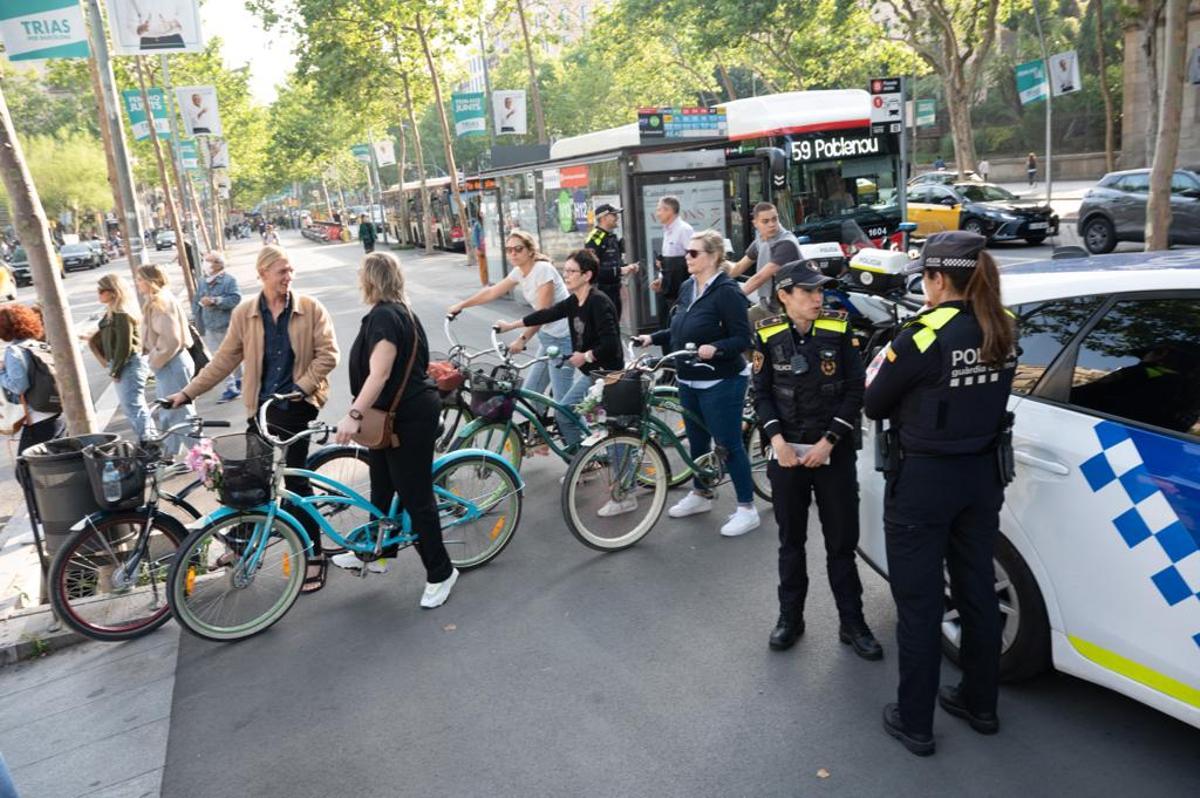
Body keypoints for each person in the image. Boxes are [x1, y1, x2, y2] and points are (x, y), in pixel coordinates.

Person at [863, 231, 1017, 757]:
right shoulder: (1003, 326)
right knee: (976, 590)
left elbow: (874, 401)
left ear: (936, 278)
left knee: (920, 604)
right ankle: (981, 703)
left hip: (924, 485)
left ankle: (916, 722)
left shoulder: (923, 335)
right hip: (982, 480)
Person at [167, 245, 340, 594]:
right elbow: (223, 362)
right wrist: (186, 394)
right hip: (261, 408)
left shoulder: (309, 309)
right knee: (247, 476)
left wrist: (300, 388)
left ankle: (315, 555)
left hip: (299, 404)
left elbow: (328, 354)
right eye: (281, 272)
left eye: (290, 271)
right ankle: (244, 542)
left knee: (291, 485)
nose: (288, 278)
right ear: (262, 275)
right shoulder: (246, 313)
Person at [751, 262, 882, 659]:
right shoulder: (767, 335)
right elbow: (761, 393)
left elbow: (855, 391)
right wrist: (779, 441)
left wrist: (828, 442)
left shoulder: (840, 331)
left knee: (841, 542)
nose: (816, 298)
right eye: (807, 292)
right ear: (784, 296)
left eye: (819, 291)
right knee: (791, 542)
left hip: (833, 452)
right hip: (787, 455)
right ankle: (791, 617)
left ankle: (852, 621)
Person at [331, 253, 458, 606]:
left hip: (408, 419)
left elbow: (381, 373)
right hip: (391, 416)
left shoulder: (386, 316)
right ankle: (376, 552)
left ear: (370, 279)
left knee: (416, 498)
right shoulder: (399, 312)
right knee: (382, 486)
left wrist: (354, 414)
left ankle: (442, 573)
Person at [634, 229, 758, 536]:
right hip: (688, 378)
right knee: (698, 441)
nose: (686, 258)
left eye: (693, 253)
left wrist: (717, 348)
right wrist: (652, 337)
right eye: (686, 253)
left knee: (728, 445)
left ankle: (747, 508)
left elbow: (744, 338)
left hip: (722, 380)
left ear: (713, 257)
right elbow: (679, 330)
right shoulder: (689, 286)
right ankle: (701, 493)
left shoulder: (728, 292)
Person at [495, 248, 622, 450]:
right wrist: (512, 326)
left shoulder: (598, 302)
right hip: (592, 374)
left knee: (599, 424)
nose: (566, 276)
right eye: (566, 271)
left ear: (587, 275)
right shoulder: (574, 301)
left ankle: (607, 464)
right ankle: (585, 461)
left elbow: (611, 344)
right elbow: (546, 314)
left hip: (608, 375)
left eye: (572, 271)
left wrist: (586, 356)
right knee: (575, 416)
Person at [448, 230, 574, 402]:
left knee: (563, 401)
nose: (513, 253)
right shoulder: (519, 271)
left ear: (530, 251)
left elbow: (543, 314)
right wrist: (461, 305)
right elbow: (492, 292)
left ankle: (576, 428)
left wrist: (522, 339)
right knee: (532, 392)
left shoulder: (543, 270)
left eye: (518, 248)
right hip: (548, 336)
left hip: (564, 338)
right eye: (509, 250)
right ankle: (538, 429)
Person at [137, 265, 197, 457]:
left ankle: (207, 462)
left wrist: (154, 360)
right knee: (170, 412)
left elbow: (170, 340)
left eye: (139, 279)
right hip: (172, 362)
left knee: (180, 415)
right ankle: (169, 455)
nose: (137, 283)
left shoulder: (159, 302)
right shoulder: (160, 299)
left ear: (149, 281)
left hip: (171, 363)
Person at [89, 274, 157, 442]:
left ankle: (149, 441)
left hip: (128, 364)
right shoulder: (113, 312)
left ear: (113, 292)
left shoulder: (121, 314)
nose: (98, 293)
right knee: (131, 406)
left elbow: (124, 346)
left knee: (133, 405)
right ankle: (148, 440)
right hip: (124, 364)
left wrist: (116, 370)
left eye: (101, 290)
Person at [0, 304, 65, 453]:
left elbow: (18, 386)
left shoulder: (14, 352)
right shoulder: (36, 345)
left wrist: (1, 373)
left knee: (25, 468)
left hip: (37, 418)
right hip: (55, 411)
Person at [727, 202, 803, 328]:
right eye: (765, 221)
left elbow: (760, 278)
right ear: (755, 223)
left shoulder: (786, 243)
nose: (772, 224)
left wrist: (732, 298)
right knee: (734, 325)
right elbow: (738, 267)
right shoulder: (761, 241)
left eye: (775, 219)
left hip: (788, 308)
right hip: (768, 305)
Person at [192, 251, 242, 403]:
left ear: (218, 264)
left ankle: (237, 383)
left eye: (209, 261)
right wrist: (197, 314)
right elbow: (197, 300)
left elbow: (235, 298)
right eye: (205, 261)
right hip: (209, 326)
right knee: (219, 359)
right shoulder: (202, 281)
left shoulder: (229, 280)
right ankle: (231, 386)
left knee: (230, 357)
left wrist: (215, 301)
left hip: (226, 325)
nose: (205, 264)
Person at [584, 203, 639, 324]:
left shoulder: (612, 236)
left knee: (614, 324)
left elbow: (615, 263)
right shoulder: (595, 238)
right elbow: (591, 270)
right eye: (613, 215)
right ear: (603, 218)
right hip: (602, 290)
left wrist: (627, 267)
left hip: (614, 288)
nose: (617, 217)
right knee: (606, 325)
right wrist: (620, 271)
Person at [649, 195, 693, 315]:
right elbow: (669, 262)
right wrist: (662, 280)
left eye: (659, 209)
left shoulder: (684, 229)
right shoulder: (667, 230)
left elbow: (694, 257)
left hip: (681, 292)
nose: (657, 213)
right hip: (669, 290)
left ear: (669, 210)